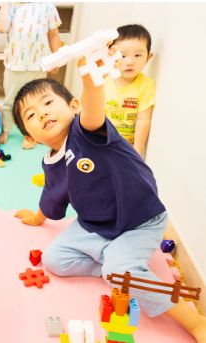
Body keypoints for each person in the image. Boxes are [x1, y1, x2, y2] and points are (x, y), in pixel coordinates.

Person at [11, 46, 206, 342]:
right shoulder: (50, 161)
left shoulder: (85, 129)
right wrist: (37, 218)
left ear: (74, 106)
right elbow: (53, 197)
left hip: (139, 219)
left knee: (120, 269)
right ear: (29, 137)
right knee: (53, 260)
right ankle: (120, 266)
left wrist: (91, 80)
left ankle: (193, 320)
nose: (44, 113)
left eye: (48, 102)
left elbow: (93, 109)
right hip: (97, 226)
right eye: (32, 114)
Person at [0, 2, 62, 149]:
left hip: (38, 65)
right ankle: (5, 130)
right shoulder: (12, 6)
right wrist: (5, 4)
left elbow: (54, 35)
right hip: (14, 64)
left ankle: (31, 134)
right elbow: (1, 27)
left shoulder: (47, 6)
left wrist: (57, 58)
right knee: (9, 102)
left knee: (36, 103)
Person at [105, 24, 155, 159]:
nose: (130, 61)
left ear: (148, 58)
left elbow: (143, 119)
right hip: (98, 141)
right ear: (110, 56)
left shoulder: (146, 85)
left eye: (138, 55)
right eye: (122, 55)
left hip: (124, 147)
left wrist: (137, 151)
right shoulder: (103, 79)